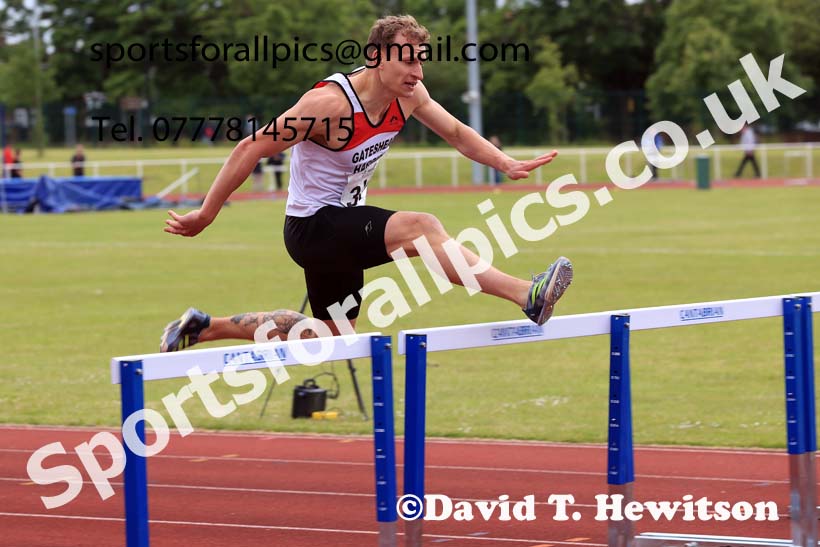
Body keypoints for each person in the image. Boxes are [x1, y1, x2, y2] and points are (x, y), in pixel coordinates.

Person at [160, 15, 572, 352]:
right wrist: (206, 214)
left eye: (421, 61)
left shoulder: (409, 95)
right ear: (376, 57)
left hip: (345, 229)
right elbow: (250, 148)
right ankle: (526, 295)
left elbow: (457, 133)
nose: (418, 71)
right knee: (421, 227)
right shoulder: (327, 106)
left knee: (328, 337)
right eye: (408, 61)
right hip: (311, 228)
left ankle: (203, 327)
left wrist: (506, 163)